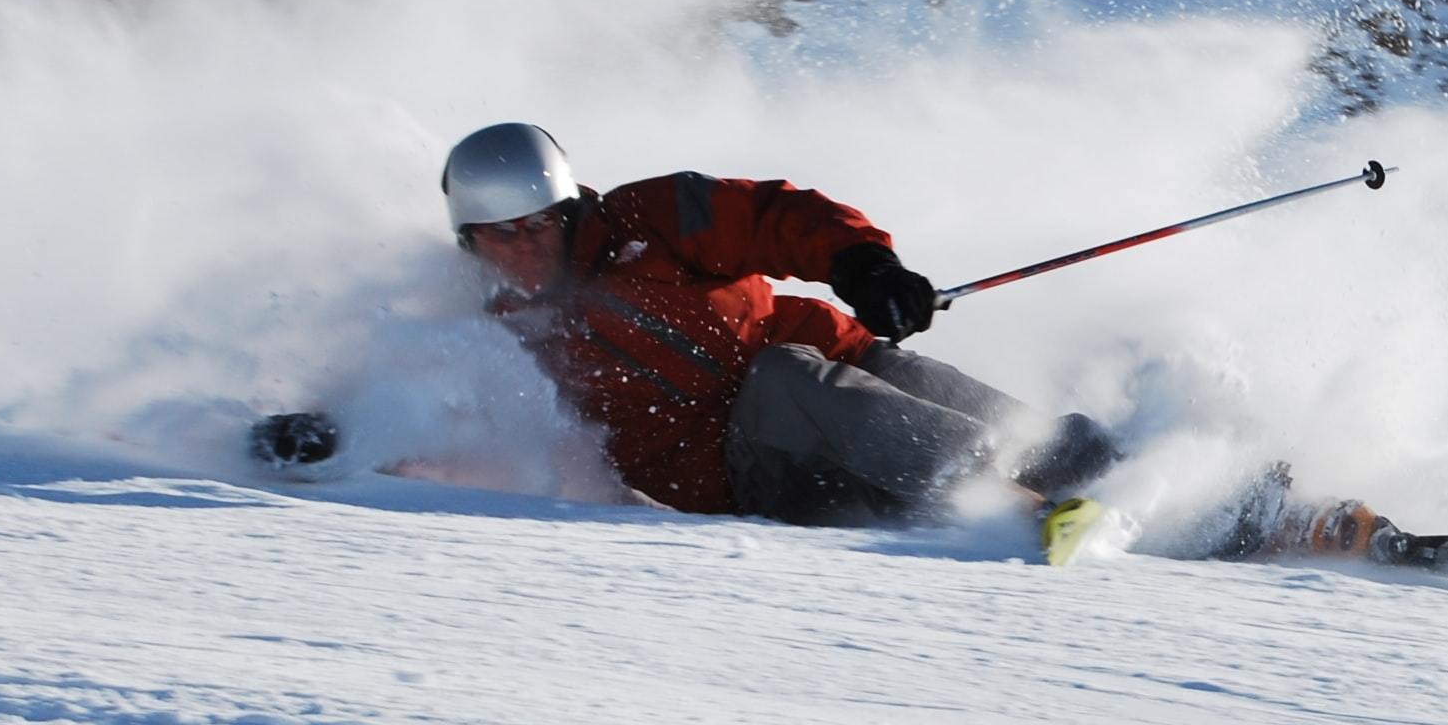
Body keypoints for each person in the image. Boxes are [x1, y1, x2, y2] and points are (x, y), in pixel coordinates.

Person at [435, 121, 1121, 529]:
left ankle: (1146, 491)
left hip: (839, 374)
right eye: (500, 235)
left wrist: (866, 268)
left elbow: (773, 217)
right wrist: (335, 430)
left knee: (963, 404)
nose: (524, 247)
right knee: (783, 380)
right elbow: (403, 391)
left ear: (568, 210)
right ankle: (1012, 507)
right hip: (741, 470)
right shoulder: (482, 328)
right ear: (469, 241)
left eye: (538, 225)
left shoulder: (648, 220)